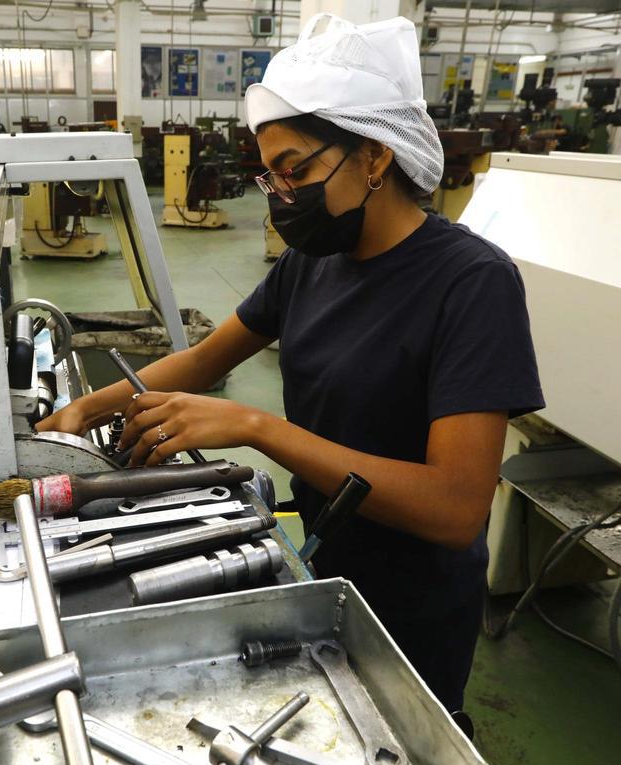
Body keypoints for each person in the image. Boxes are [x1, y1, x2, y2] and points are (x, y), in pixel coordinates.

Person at [37, 14, 543, 716]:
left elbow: (455, 509)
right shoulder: (313, 262)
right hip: (327, 563)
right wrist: (85, 410)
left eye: (296, 170)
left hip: (413, 605)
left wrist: (256, 427)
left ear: (374, 156)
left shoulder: (472, 283)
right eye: (270, 175)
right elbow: (205, 358)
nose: (280, 194)